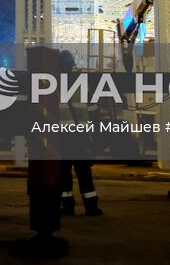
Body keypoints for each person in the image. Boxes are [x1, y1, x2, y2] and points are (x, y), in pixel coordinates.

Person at [57, 50, 102, 217]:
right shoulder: (82, 84)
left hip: (63, 137)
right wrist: (94, 138)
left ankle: (67, 206)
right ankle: (91, 206)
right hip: (81, 136)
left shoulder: (52, 85)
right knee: (84, 173)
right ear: (71, 66)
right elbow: (93, 112)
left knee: (63, 173)